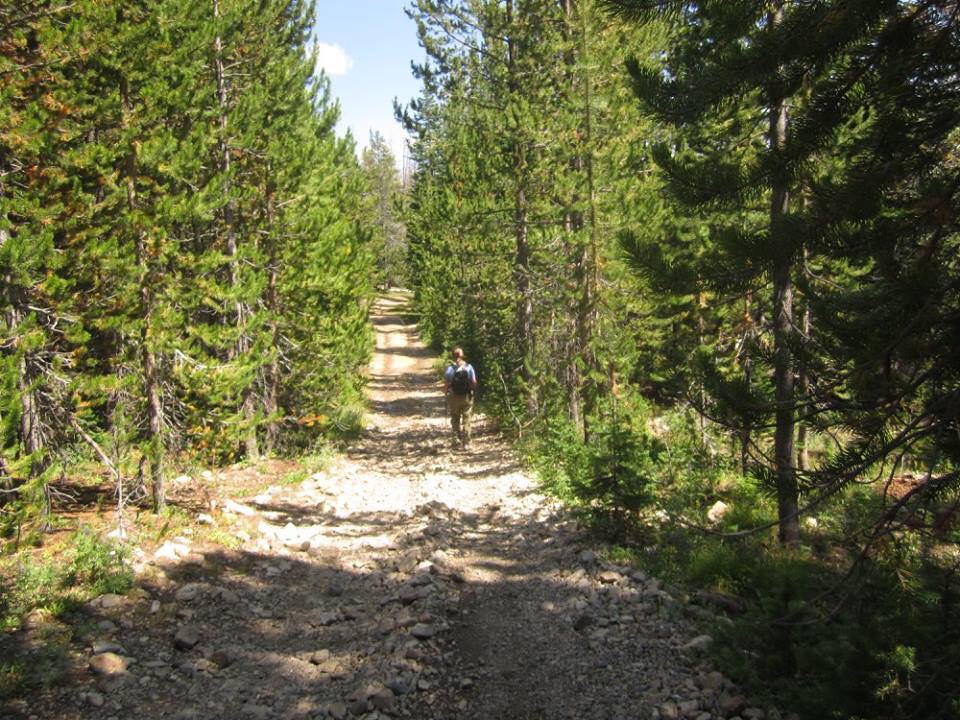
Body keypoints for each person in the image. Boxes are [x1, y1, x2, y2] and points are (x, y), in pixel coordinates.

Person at [443, 347, 477, 449]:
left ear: (453, 356)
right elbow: (474, 382)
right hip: (466, 396)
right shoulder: (469, 367)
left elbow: (446, 384)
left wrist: (446, 393)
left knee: (455, 418)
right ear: (462, 355)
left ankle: (456, 442)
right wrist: (472, 390)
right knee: (467, 418)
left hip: (454, 396)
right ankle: (467, 443)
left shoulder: (450, 369)